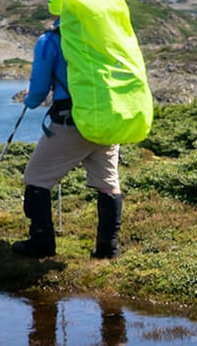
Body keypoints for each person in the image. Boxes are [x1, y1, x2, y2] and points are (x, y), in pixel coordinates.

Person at [13, 17, 123, 259]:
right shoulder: (105, 36)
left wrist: (30, 101)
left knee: (36, 179)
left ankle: (41, 244)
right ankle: (108, 249)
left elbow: (40, 88)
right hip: (109, 122)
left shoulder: (51, 40)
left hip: (71, 122)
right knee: (108, 184)